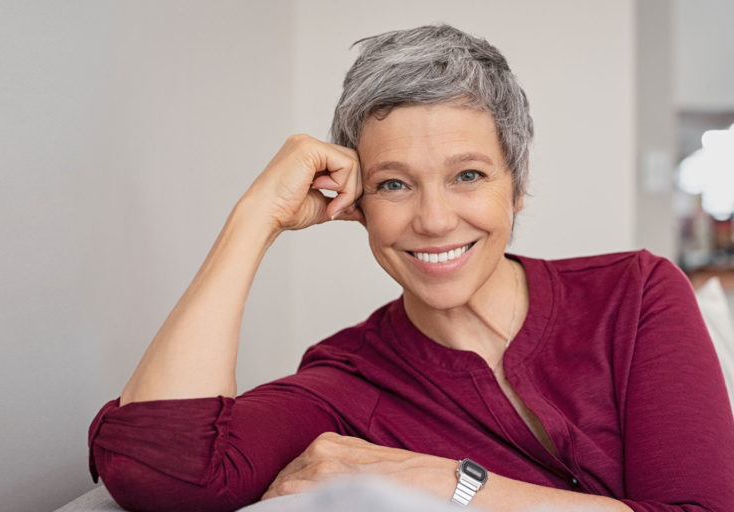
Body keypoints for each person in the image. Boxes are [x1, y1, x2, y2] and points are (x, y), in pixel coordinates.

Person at [86, 24, 734, 512]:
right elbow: (160, 463)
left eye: (468, 176)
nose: (433, 219)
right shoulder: (347, 381)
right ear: (357, 202)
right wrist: (256, 216)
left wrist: (455, 485)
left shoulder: (637, 293)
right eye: (394, 185)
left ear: (518, 185)